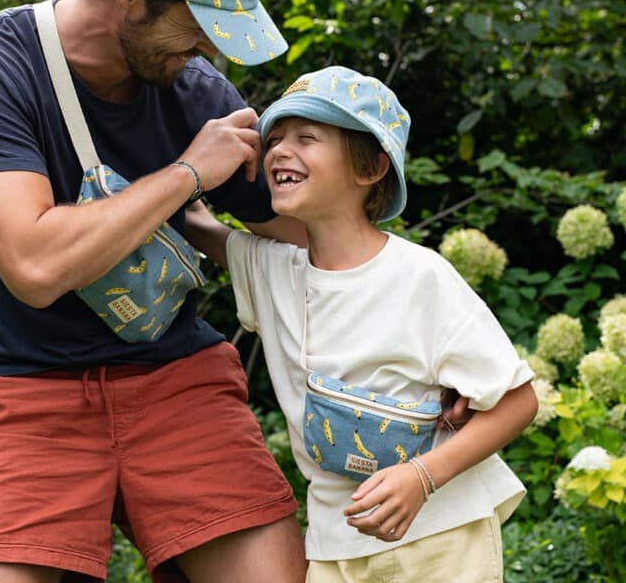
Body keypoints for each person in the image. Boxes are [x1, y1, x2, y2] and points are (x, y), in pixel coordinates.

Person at [0, 0, 309, 583]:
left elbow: (313, 240)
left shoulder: (194, 91)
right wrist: (186, 176)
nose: (207, 53)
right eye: (197, 28)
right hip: (23, 391)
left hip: (176, 384)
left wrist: (424, 345)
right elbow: (34, 266)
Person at [184, 65, 539, 582]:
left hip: (442, 534)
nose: (281, 150)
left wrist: (421, 477)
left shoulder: (419, 276)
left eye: (308, 137)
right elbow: (194, 222)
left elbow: (517, 399)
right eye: (275, 138)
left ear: (370, 169)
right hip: (334, 547)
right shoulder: (270, 270)